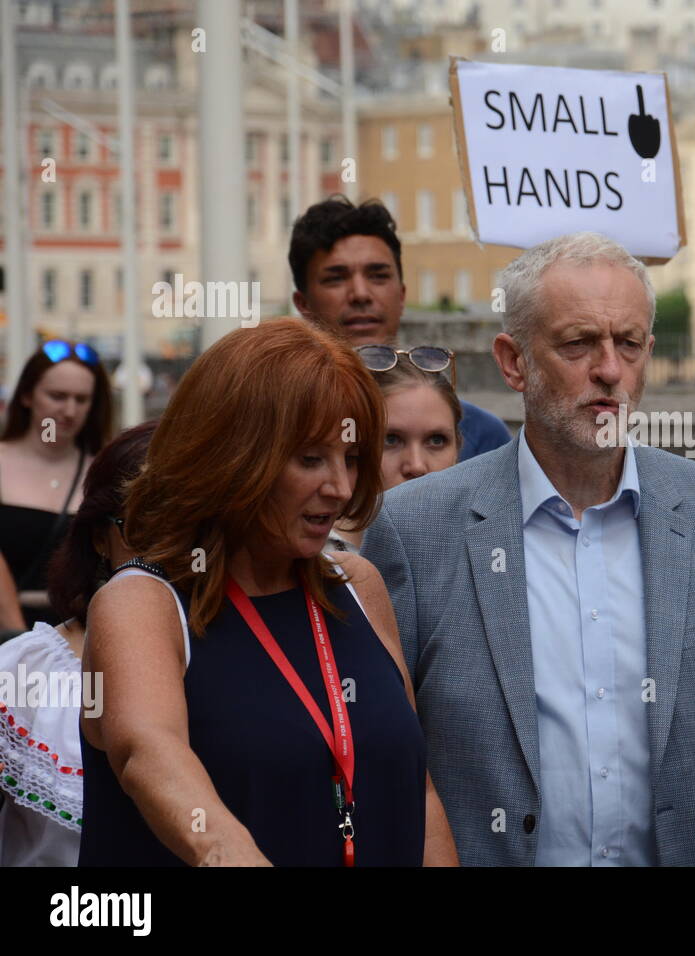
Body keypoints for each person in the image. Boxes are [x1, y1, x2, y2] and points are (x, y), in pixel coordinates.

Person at [362, 231, 695, 866]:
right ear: (513, 361)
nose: (610, 369)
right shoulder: (416, 529)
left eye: (629, 344)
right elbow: (385, 757)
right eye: (578, 343)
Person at [79, 320, 458, 867]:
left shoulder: (358, 586)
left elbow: (416, 794)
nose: (341, 487)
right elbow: (148, 754)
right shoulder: (142, 604)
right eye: (310, 459)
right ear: (231, 456)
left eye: (350, 458)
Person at [0, 422, 155, 866]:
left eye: (188, 529)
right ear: (100, 537)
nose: (166, 554)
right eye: (141, 528)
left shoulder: (245, 661)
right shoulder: (24, 672)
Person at [288, 195, 511, 461]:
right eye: (336, 278)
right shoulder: (279, 424)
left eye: (378, 276)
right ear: (303, 304)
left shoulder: (479, 434)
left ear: (402, 295)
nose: (360, 294)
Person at [0, 341, 114, 628]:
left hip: (78, 638)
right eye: (57, 396)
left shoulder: (106, 473)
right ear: (26, 395)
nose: (69, 410)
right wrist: (18, 638)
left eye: (82, 399)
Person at [329, 349, 463, 551]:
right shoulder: (314, 561)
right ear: (350, 450)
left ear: (457, 449)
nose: (416, 466)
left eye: (436, 440)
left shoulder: (484, 549)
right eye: (390, 440)